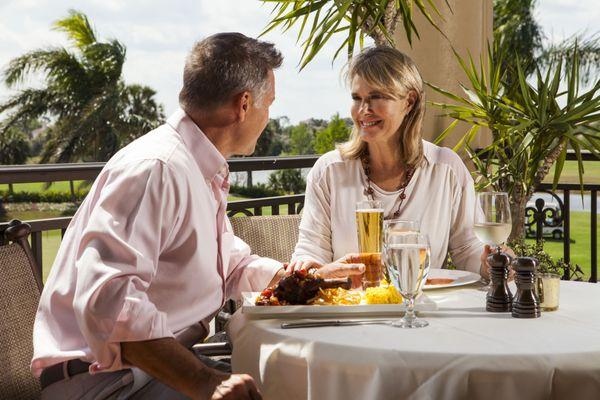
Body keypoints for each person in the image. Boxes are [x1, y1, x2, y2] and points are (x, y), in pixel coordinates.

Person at [31, 32, 363, 400]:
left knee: (302, 385)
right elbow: (110, 300)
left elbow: (231, 265)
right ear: (244, 104)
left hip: (153, 369)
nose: (268, 117)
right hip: (108, 383)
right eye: (269, 104)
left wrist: (304, 278)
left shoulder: (196, 168)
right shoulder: (156, 169)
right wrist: (205, 382)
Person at [291, 46, 492, 278]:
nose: (364, 110)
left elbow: (467, 247)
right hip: (350, 309)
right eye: (357, 98)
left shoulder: (446, 169)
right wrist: (306, 268)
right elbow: (311, 250)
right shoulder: (329, 171)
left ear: (409, 102)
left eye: (376, 97)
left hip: (420, 309)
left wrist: (488, 264)